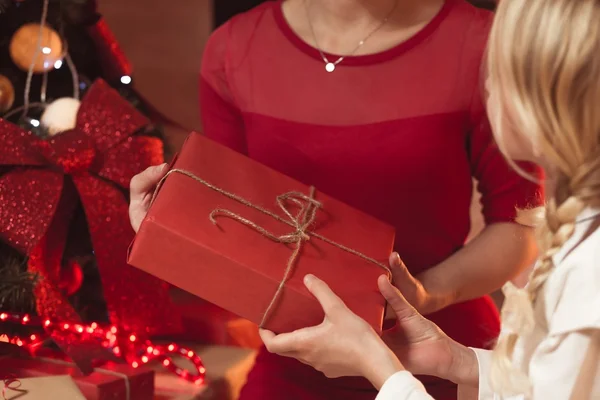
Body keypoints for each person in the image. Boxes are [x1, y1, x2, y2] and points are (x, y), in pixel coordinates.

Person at [130, 0, 543, 398]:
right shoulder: (233, 49)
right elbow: (235, 235)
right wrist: (164, 227)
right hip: (297, 364)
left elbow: (520, 229)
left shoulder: (483, 44)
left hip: (437, 357)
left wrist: (424, 294)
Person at [249, 0, 600, 398]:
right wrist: (454, 360)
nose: (484, 84)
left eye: (497, 73)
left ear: (548, 102)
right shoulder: (584, 244)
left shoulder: (589, 269)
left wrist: (378, 366)